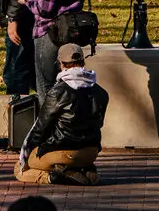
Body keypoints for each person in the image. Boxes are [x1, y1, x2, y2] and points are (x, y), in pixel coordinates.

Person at [16, 43, 107, 185]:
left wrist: (27, 154)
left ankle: (56, 176)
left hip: (64, 152)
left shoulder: (57, 92)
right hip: (91, 151)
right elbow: (98, 123)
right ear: (83, 62)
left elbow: (40, 128)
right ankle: (85, 170)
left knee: (20, 170)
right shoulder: (100, 92)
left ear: (61, 64)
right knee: (69, 159)